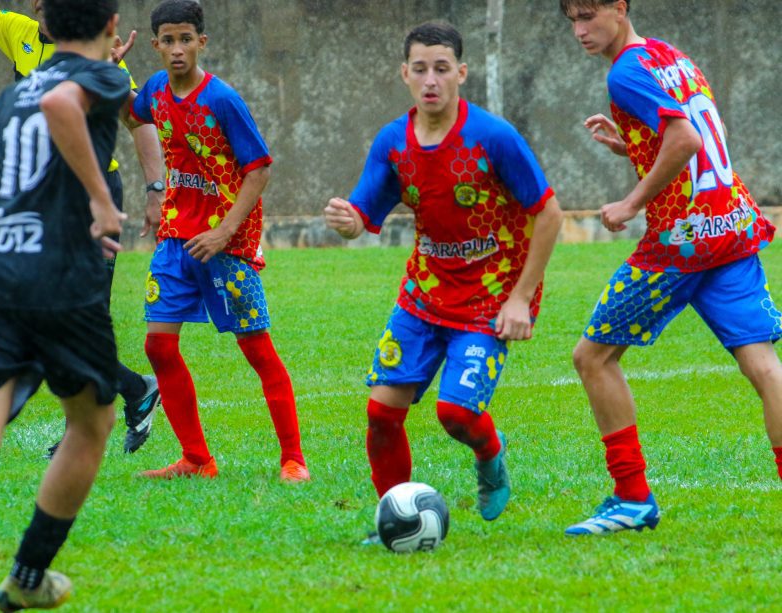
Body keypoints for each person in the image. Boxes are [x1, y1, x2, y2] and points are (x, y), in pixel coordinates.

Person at [0, 1, 131, 610]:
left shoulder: (8, 97)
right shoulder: (103, 76)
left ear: (44, 23)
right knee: (91, 424)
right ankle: (27, 578)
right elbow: (62, 106)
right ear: (112, 25)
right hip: (59, 276)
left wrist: (15, 212)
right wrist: (98, 200)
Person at [324, 21, 563, 535]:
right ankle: (394, 517)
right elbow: (364, 213)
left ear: (461, 72)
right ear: (404, 75)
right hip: (423, 295)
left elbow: (549, 213)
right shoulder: (393, 141)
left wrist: (521, 299)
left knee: (456, 414)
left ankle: (490, 457)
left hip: (489, 300)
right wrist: (347, 221)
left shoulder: (493, 137)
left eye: (441, 68)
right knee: (381, 413)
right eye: (419, 69)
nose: (430, 79)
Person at [560, 0, 782, 536]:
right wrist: (629, 147)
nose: (581, 30)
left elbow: (686, 139)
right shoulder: (669, 56)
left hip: (680, 241)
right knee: (764, 366)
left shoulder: (625, 73)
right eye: (572, 19)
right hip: (729, 225)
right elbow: (692, 135)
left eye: (590, 15)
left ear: (620, 7)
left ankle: (632, 498)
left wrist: (631, 202)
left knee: (592, 358)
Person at [0, 0, 164, 454]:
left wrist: (156, 189)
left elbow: (139, 119)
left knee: (81, 317)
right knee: (56, 320)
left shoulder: (100, 56)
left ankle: (85, 426)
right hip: (45, 198)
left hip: (96, 192)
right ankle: (135, 390)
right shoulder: (15, 31)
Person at [119, 0, 310, 483]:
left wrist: (225, 231)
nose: (177, 49)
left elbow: (259, 169)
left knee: (257, 351)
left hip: (227, 246)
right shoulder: (157, 88)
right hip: (176, 239)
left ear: (201, 43)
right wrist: (110, 70)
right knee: (158, 348)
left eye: (187, 39)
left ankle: (294, 460)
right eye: (168, 40)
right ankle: (197, 459)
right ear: (157, 44)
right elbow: (132, 115)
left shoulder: (222, 99)